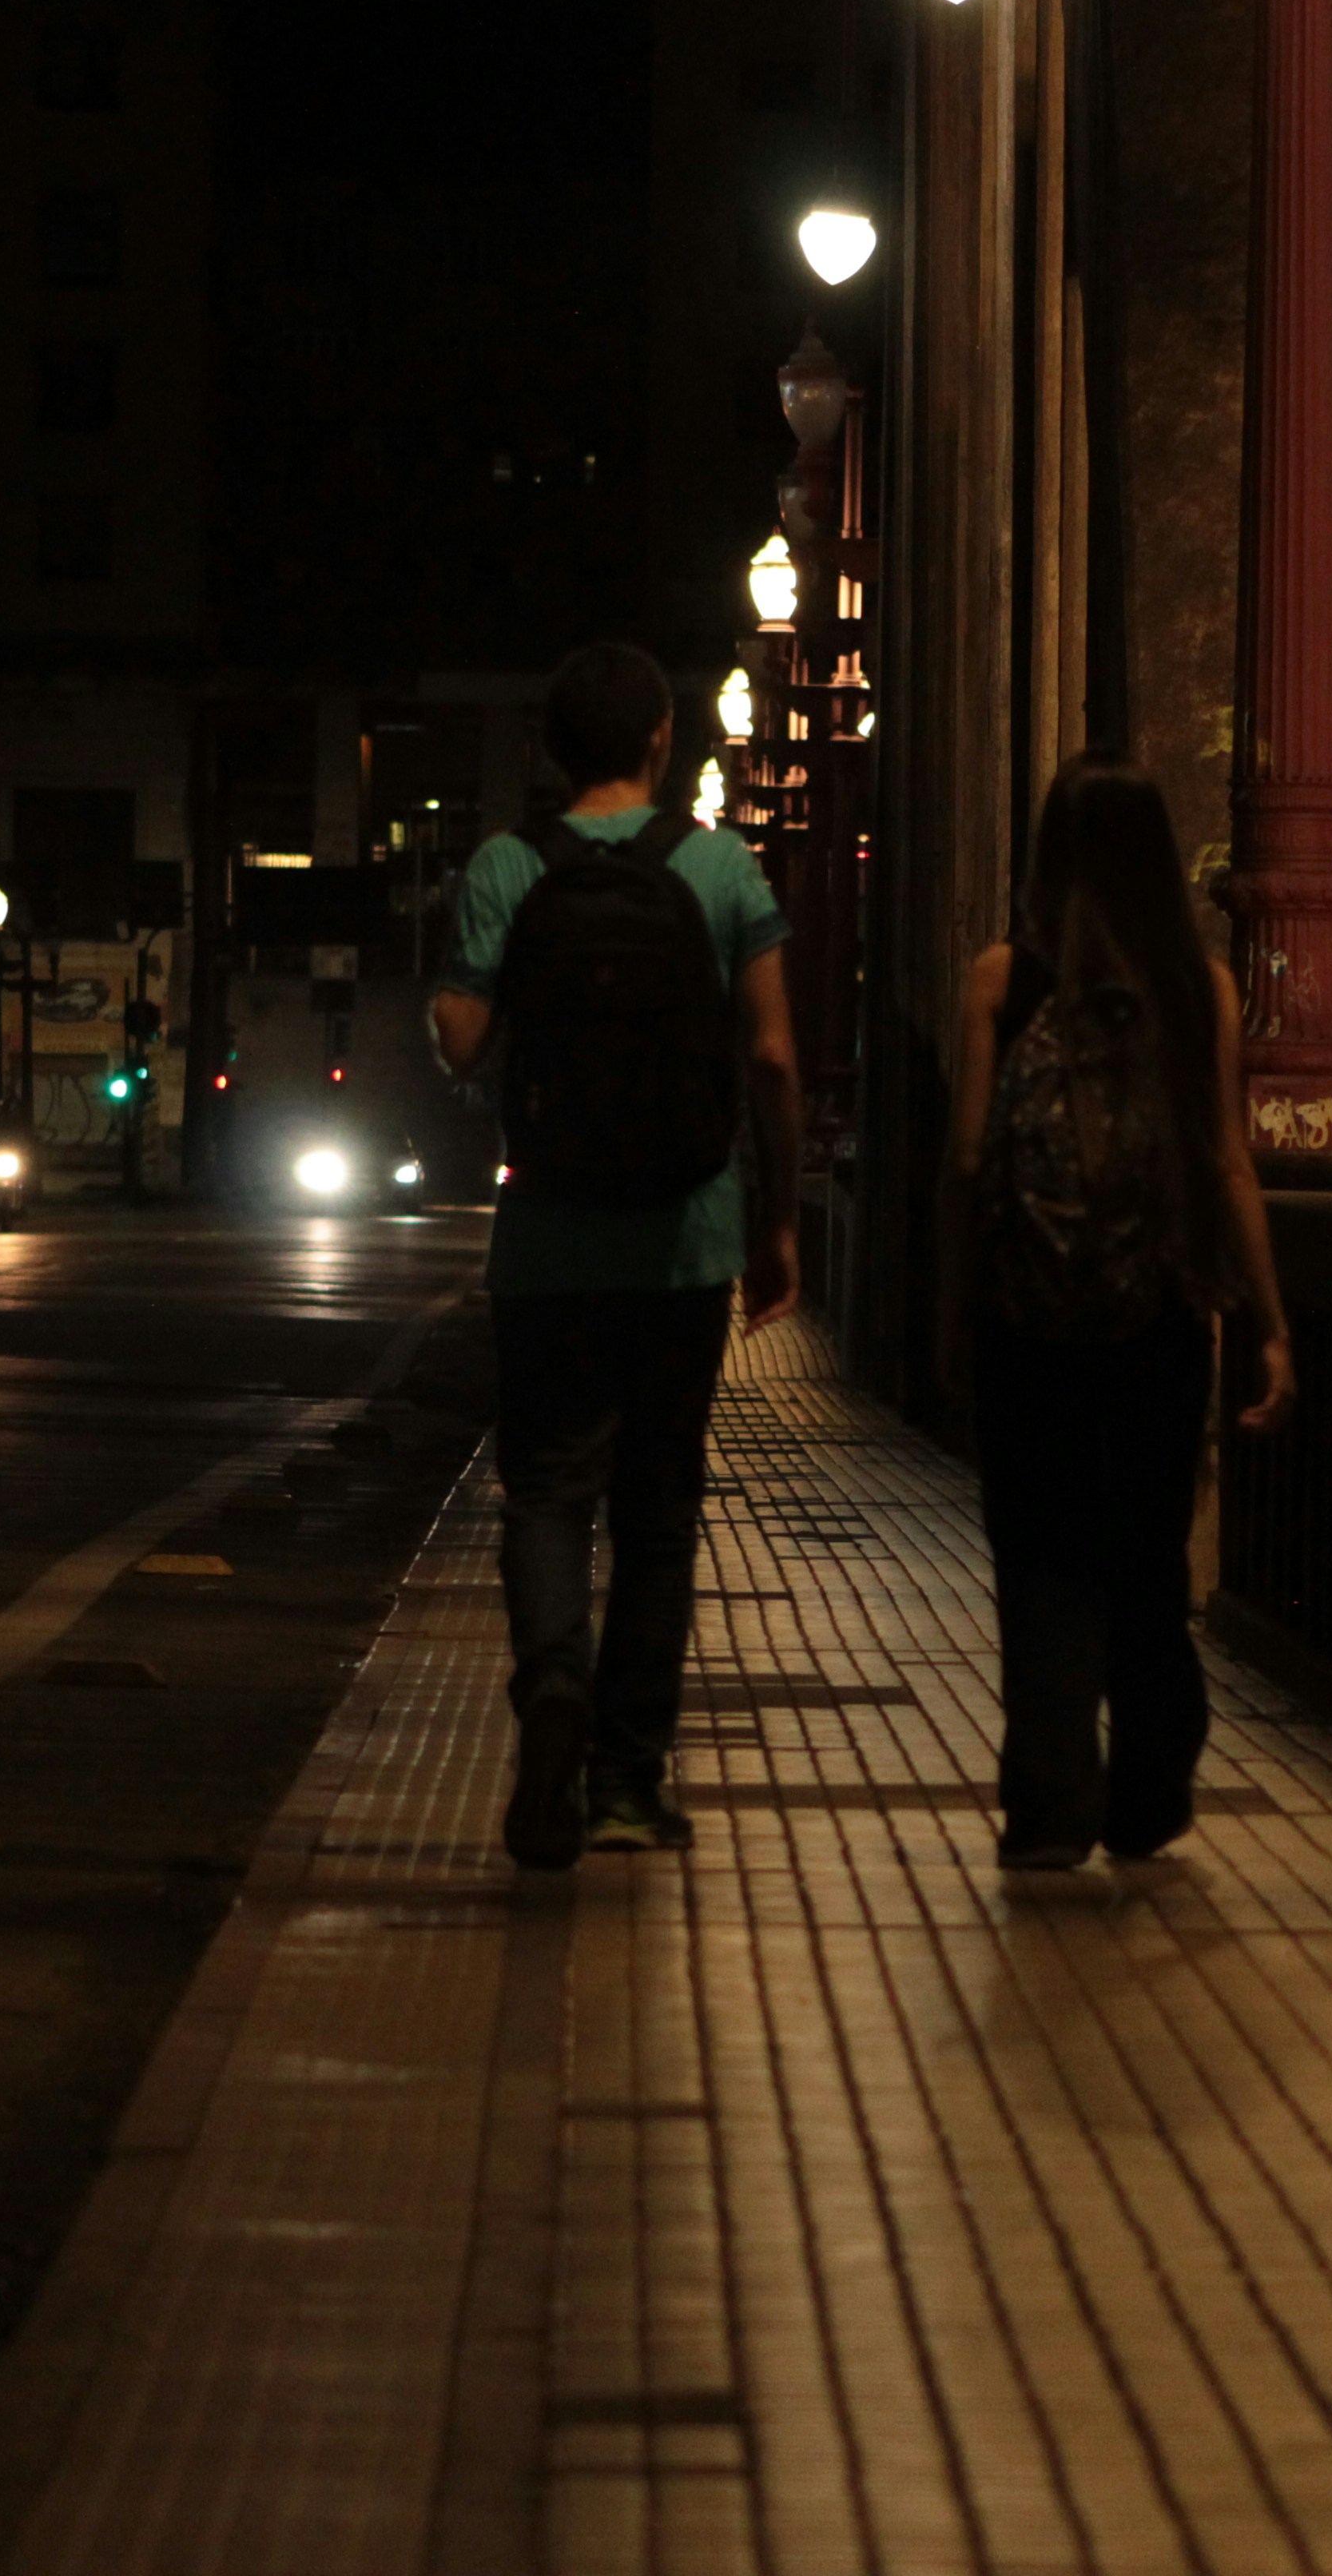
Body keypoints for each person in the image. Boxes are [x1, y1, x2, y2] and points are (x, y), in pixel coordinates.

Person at [431, 642, 801, 1872]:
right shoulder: (715, 865)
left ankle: (550, 1690)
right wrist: (776, 1220)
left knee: (545, 1490)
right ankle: (628, 1786)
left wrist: (462, 993)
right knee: (657, 1512)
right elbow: (774, 1058)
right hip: (684, 1239)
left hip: (545, 1242)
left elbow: (464, 1044)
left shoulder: (505, 867)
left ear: (550, 750)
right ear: (660, 741)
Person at [942, 757, 1296, 1873]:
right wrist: (1269, 1326)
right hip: (1158, 1318)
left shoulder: (1001, 980)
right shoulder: (1202, 990)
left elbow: (965, 1159)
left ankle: (1049, 1803)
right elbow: (1230, 1165)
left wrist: (971, 1306)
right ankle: (1150, 1784)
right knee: (1145, 1554)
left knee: (1041, 1555)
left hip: (1028, 1325)